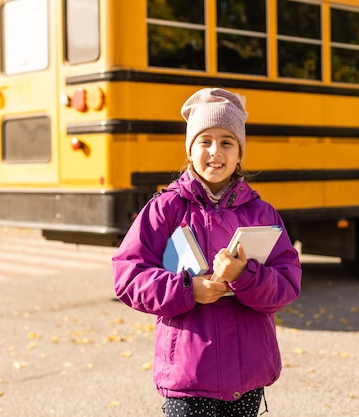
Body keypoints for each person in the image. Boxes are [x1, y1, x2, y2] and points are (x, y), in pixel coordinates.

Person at [112, 88, 302, 416]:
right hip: (188, 376)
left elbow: (287, 284)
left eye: (227, 141)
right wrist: (188, 289)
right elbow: (128, 276)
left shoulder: (263, 213)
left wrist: (245, 276)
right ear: (190, 150)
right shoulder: (165, 209)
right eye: (205, 141)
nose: (216, 151)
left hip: (247, 378)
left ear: (239, 152)